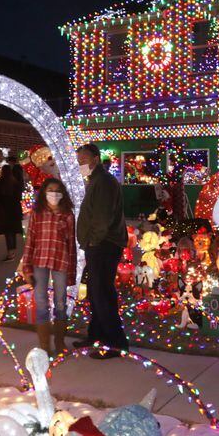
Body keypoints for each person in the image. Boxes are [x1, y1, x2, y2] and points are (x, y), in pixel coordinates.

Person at [74, 143, 129, 359]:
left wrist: (94, 241)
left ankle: (115, 343)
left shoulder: (104, 182)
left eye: (83, 160)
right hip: (98, 244)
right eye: (78, 161)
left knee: (102, 293)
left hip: (104, 244)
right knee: (96, 292)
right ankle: (95, 335)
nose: (80, 164)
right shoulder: (96, 181)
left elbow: (102, 218)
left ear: (95, 159)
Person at [19, 178, 77, 355]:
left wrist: (71, 272)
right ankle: (44, 346)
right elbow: (30, 240)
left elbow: (71, 245)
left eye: (57, 190)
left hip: (61, 261)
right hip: (39, 262)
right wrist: (26, 267)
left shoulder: (67, 215)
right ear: (44, 192)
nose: (53, 193)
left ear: (62, 193)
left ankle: (59, 343)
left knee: (60, 302)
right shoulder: (37, 213)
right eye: (50, 189)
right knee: (41, 302)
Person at [0, 165, 24, 262]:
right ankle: (12, 252)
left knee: (7, 232)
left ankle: (10, 253)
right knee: (12, 232)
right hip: (14, 210)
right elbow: (19, 197)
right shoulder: (15, 183)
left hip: (4, 211)